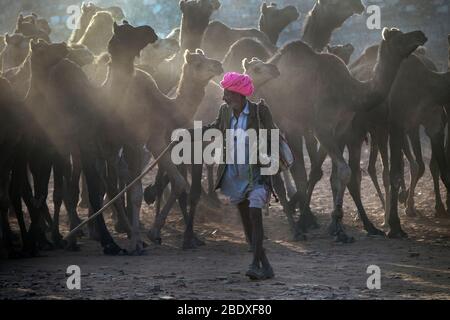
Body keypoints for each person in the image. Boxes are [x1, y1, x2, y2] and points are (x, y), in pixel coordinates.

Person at [203, 72, 277, 280]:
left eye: (227, 93)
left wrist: (267, 163)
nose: (224, 97)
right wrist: (188, 134)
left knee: (255, 215)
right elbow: (214, 129)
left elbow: (273, 136)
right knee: (247, 226)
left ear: (239, 94)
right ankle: (267, 266)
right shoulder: (225, 112)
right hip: (235, 176)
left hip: (257, 175)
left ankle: (254, 264)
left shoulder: (259, 112)